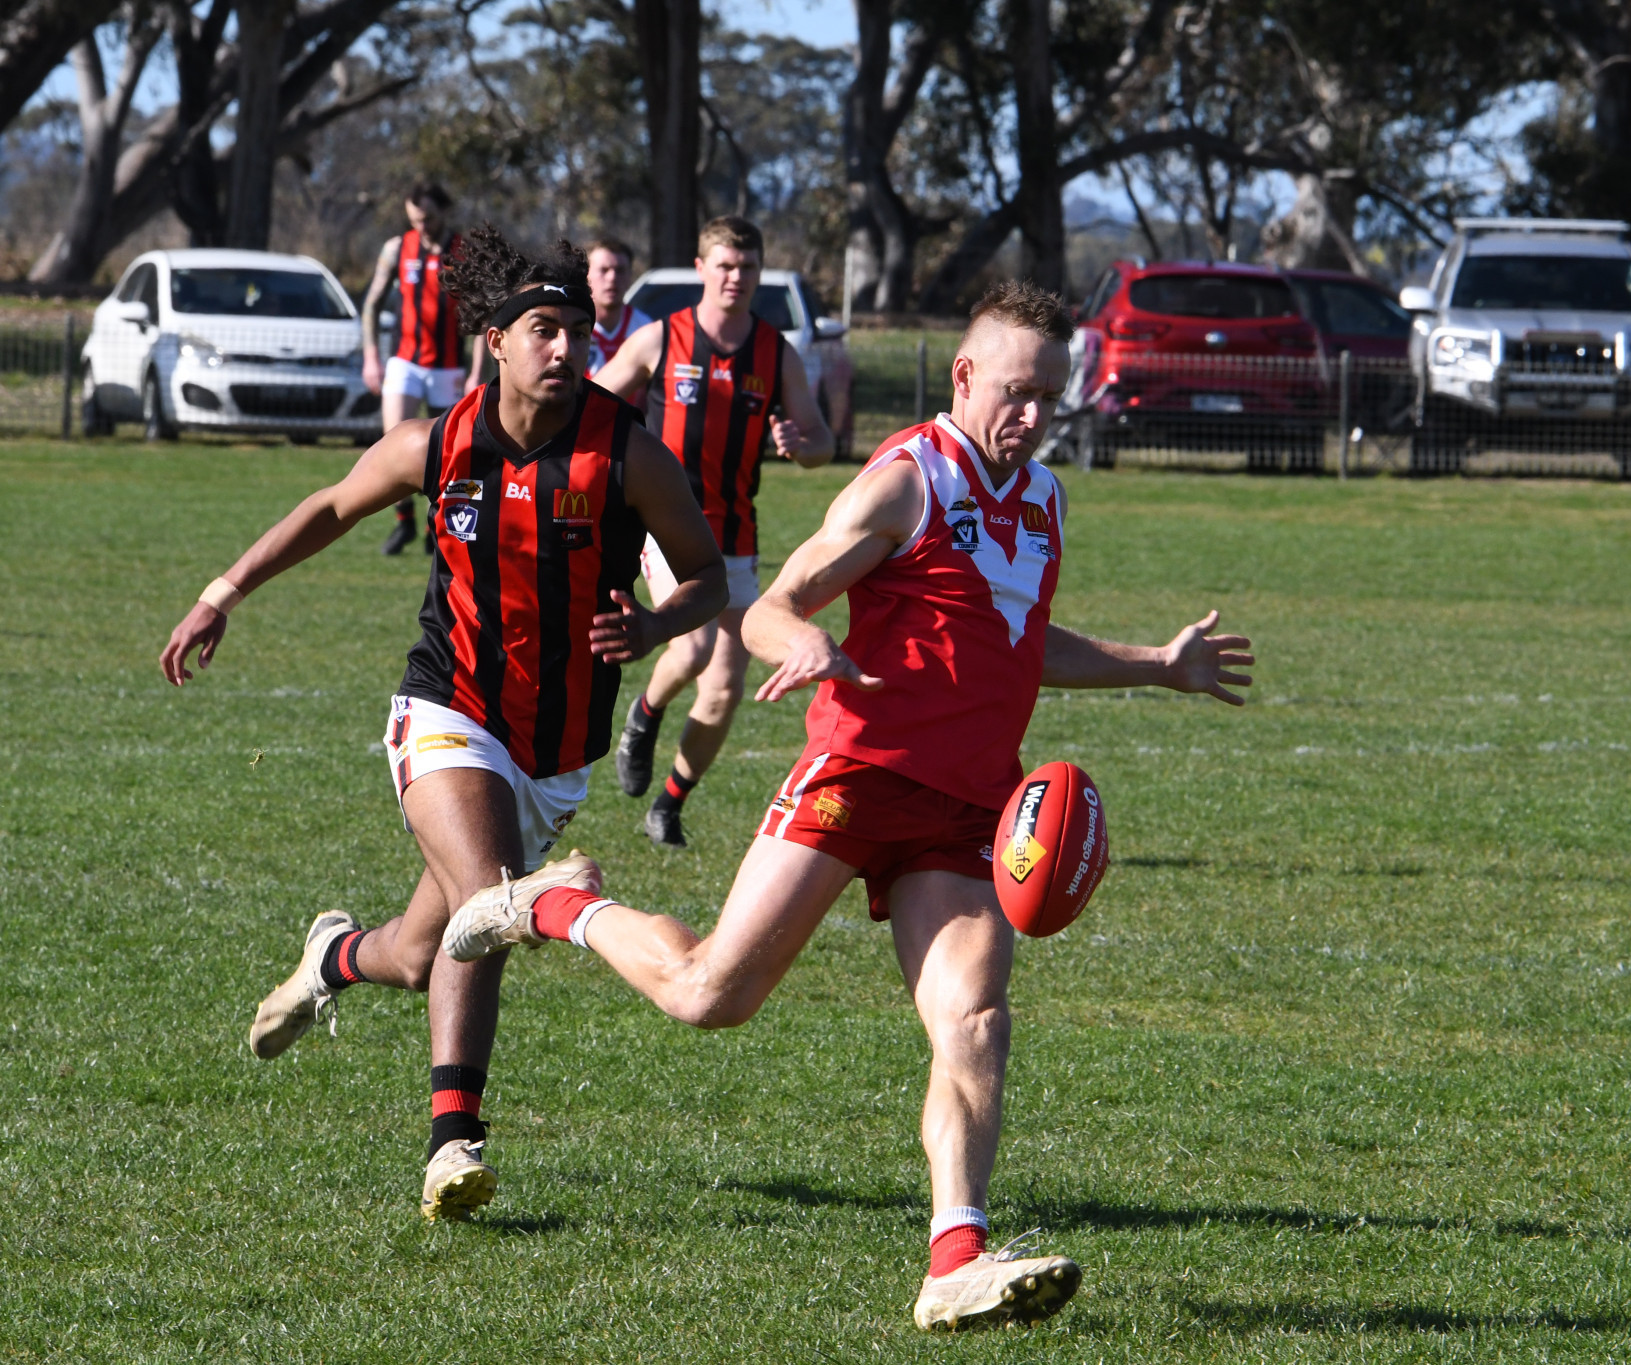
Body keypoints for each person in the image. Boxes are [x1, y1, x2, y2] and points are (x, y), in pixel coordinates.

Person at [439, 281, 1256, 1330]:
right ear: (964, 377)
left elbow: (1016, 643)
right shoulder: (906, 481)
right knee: (709, 995)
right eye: (1017, 392)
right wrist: (806, 644)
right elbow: (770, 603)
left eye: (1051, 396)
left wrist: (1157, 665)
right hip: (858, 775)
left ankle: (954, 1259)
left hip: (967, 808)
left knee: (974, 1020)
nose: (1034, 416)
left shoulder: (1044, 500)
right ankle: (554, 904)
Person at [157, 227, 728, 1221]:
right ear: (498, 341)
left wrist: (652, 622)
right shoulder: (440, 442)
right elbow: (334, 506)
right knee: (494, 905)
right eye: (543, 330)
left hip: (555, 754)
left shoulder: (628, 455)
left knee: (427, 953)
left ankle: (332, 953)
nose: (565, 349)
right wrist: (223, 590)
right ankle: (451, 1144)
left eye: (578, 334)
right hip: (447, 711)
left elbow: (708, 578)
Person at [594, 215, 836, 848]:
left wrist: (799, 442)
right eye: (725, 265)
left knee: (727, 686)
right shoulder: (659, 340)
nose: (736, 277)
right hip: (664, 526)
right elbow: (592, 402)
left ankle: (669, 804)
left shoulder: (775, 353)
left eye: (748, 267)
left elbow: (821, 442)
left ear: (759, 274)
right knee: (694, 650)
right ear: (701, 269)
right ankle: (645, 714)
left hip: (735, 535)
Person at [360, 180, 483, 556]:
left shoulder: (463, 252)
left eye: (428, 218)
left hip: (448, 367)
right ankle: (404, 522)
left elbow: (480, 315)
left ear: (443, 212)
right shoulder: (398, 248)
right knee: (393, 440)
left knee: (451, 450)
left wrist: (478, 371)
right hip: (405, 361)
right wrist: (371, 355)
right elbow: (372, 303)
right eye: (415, 219)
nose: (422, 226)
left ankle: (440, 523)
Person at [583, 237, 656, 384]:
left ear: (630, 276)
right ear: (586, 275)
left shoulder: (644, 328)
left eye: (620, 270)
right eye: (604, 270)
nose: (612, 278)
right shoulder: (570, 326)